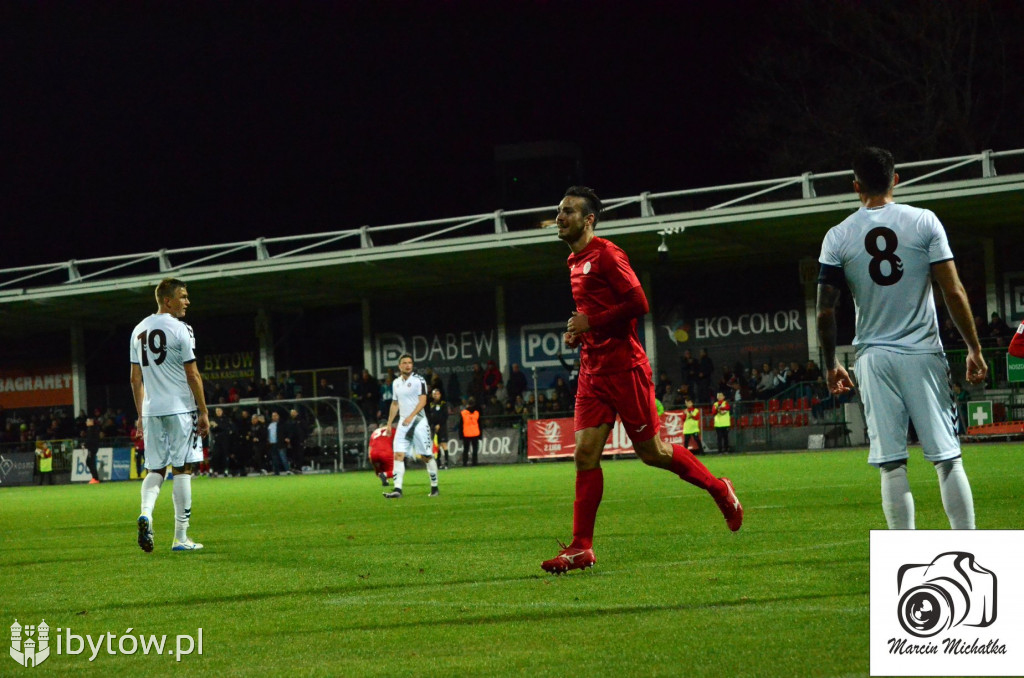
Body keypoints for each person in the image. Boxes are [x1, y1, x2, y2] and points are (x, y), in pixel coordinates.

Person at [541, 186, 742, 575]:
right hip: (592, 370)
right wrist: (581, 331)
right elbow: (595, 311)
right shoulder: (573, 260)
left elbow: (639, 304)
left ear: (588, 220)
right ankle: (581, 547)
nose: (560, 217)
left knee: (653, 453)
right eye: (559, 210)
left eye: (567, 211)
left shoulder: (607, 254)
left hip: (625, 369)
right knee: (584, 455)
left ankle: (720, 489)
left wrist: (592, 322)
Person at [816, 147, 988, 530]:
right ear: (896, 179)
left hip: (873, 358)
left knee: (891, 465)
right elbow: (953, 291)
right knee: (947, 459)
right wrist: (974, 349)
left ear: (855, 185)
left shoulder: (838, 235)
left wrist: (831, 365)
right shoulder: (924, 221)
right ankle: (969, 550)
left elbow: (825, 310)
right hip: (923, 352)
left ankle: (903, 565)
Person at [130, 277, 210, 552]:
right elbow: (193, 374)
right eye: (183, 296)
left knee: (155, 469)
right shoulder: (181, 329)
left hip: (152, 410)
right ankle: (181, 537)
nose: (187, 302)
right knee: (183, 468)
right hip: (180, 408)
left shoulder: (138, 329)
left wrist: (140, 415)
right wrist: (203, 411)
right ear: (168, 300)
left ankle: (146, 513)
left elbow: (134, 379)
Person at [383, 354, 440, 498]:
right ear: (399, 366)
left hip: (418, 422)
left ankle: (434, 487)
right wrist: (389, 423)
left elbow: (423, 401)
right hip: (404, 423)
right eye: (405, 363)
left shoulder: (418, 380)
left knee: (426, 456)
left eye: (410, 363)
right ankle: (397, 489)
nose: (408, 365)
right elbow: (395, 404)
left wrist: (411, 416)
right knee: (398, 454)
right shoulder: (396, 383)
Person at [426, 388, 450, 469]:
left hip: (442, 427)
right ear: (432, 395)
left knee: (444, 444)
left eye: (437, 394)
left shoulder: (443, 404)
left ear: (440, 395)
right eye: (434, 394)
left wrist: (439, 424)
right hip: (434, 427)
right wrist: (432, 424)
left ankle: (446, 463)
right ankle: (439, 463)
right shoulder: (431, 404)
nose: (436, 396)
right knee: (437, 445)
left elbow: (445, 415)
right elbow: (429, 415)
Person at [368, 421, 394, 487]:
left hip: (373, 453)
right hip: (385, 452)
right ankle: (385, 475)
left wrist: (370, 456)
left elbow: (370, 446)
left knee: (380, 470)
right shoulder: (391, 429)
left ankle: (385, 480)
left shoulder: (375, 432)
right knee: (397, 471)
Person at [459, 396, 482, 466]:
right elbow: (480, 425)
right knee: (475, 449)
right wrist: (480, 435)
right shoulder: (477, 413)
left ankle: (465, 463)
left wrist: (460, 435)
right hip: (475, 433)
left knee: (466, 449)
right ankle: (474, 462)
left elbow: (460, 425)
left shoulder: (463, 413)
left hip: (466, 434)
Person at [267, 411, 291, 475]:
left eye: (275, 415)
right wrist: (268, 440)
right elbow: (269, 433)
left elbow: (287, 431)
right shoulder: (270, 424)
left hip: (280, 443)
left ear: (278, 416)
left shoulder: (282, 424)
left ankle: (287, 470)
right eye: (273, 416)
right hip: (272, 443)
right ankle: (276, 472)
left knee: (283, 457)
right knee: (274, 459)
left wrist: (287, 438)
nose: (274, 417)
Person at [84, 417, 101, 484]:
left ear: (91, 422)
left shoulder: (92, 429)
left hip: (92, 448)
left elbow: (91, 440)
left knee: (90, 462)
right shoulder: (91, 429)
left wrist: (87, 445)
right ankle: (94, 477)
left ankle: (95, 478)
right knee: (89, 462)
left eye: (87, 421)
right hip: (91, 448)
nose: (86, 422)